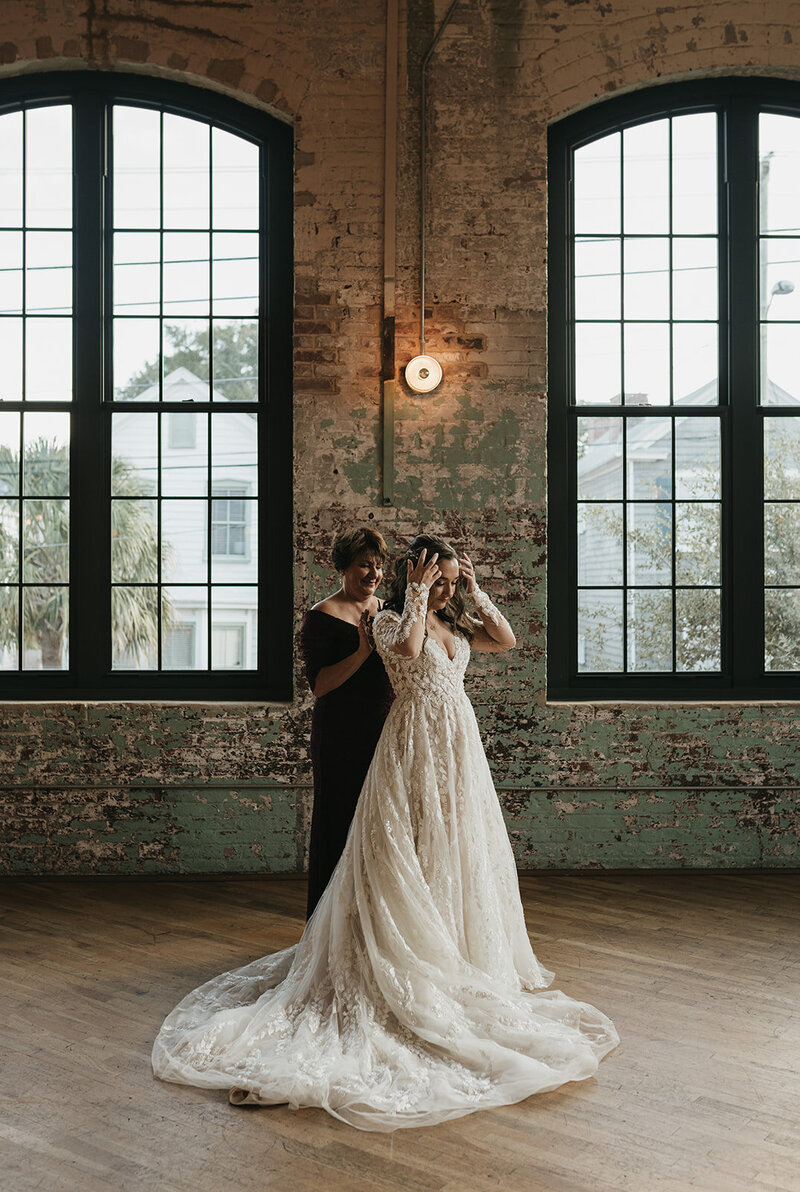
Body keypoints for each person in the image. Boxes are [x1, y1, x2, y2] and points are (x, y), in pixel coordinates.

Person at [152, 533, 618, 1132]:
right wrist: (420, 591)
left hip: (458, 748)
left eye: (452, 579)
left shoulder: (454, 619)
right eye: (438, 578)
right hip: (413, 743)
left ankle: (455, 945)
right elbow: (408, 646)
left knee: (453, 848)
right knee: (401, 846)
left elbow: (507, 639)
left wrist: (471, 591)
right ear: (412, 576)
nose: (446, 588)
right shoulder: (395, 621)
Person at [299, 527, 393, 917]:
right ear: (343, 568)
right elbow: (321, 685)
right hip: (341, 736)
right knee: (339, 823)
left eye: (378, 566)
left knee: (381, 824)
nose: (373, 574)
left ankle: (372, 921)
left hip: (386, 731)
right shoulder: (321, 615)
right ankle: (329, 925)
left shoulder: (388, 608)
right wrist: (362, 649)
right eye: (364, 565)